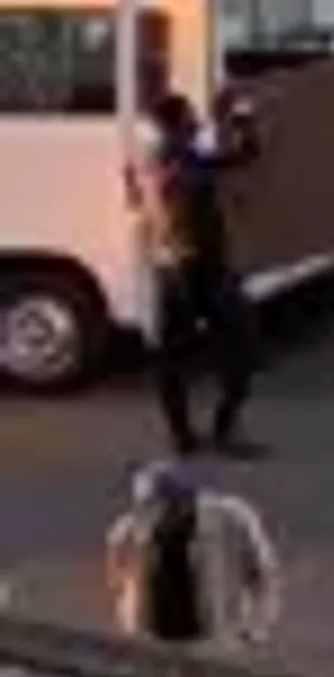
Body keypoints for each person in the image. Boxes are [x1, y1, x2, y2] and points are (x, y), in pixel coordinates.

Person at [131, 88, 263, 459]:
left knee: (238, 350)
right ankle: (192, 434)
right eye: (191, 118)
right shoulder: (168, 168)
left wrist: (241, 118)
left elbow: (247, 154)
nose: (197, 122)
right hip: (186, 273)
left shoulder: (190, 159)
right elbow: (160, 224)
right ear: (175, 125)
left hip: (202, 270)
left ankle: (206, 431)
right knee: (187, 358)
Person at [105, 461, 279, 651]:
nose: (160, 513)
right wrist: (130, 625)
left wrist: (256, 628)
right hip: (154, 640)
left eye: (170, 505)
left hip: (216, 641)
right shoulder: (130, 528)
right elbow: (118, 581)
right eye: (153, 506)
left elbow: (263, 575)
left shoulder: (232, 520)